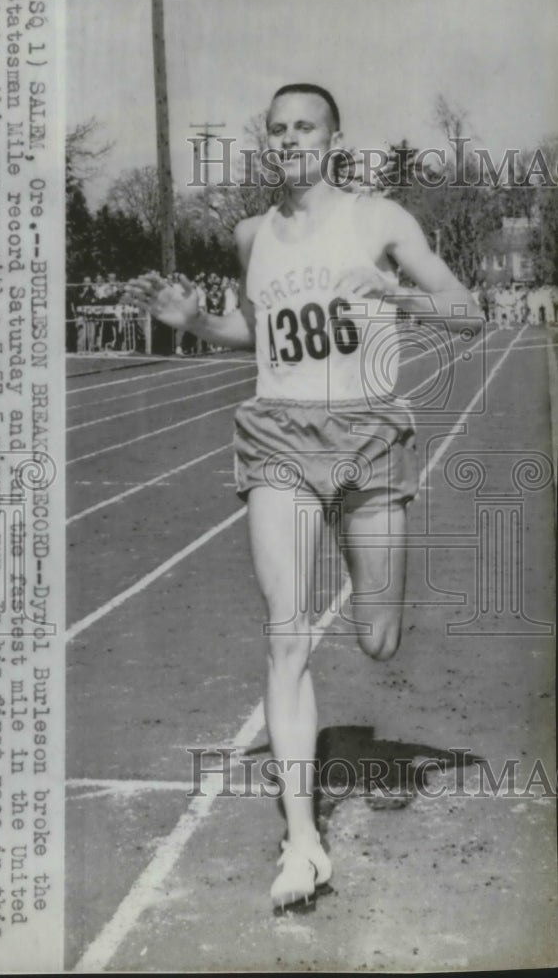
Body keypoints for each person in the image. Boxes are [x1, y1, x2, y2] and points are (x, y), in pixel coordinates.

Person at [128, 83, 481, 910]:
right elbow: (258, 329)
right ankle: (303, 842)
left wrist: (404, 299)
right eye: (278, 130)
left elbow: (467, 312)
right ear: (268, 143)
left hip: (368, 437)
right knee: (286, 633)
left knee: (378, 636)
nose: (290, 141)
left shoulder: (380, 219)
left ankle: (377, 591)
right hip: (279, 435)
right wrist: (196, 325)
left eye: (305, 129)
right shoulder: (251, 233)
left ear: (333, 139)